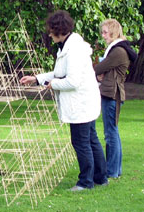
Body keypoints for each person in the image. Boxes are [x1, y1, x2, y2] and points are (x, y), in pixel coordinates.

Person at [19, 10, 107, 191]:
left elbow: (72, 81)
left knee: (81, 142)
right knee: (91, 139)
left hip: (81, 103)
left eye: (52, 31)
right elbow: (60, 73)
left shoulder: (74, 50)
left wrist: (53, 84)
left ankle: (86, 182)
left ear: (59, 30)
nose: (50, 35)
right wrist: (37, 78)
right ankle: (100, 178)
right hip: (84, 102)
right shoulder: (67, 47)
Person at [93, 18, 138, 180]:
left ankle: (111, 170)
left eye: (105, 32)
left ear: (113, 32)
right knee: (112, 132)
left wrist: (99, 72)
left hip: (112, 93)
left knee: (110, 133)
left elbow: (99, 68)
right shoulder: (118, 49)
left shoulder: (118, 51)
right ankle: (115, 170)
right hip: (112, 92)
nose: (103, 35)